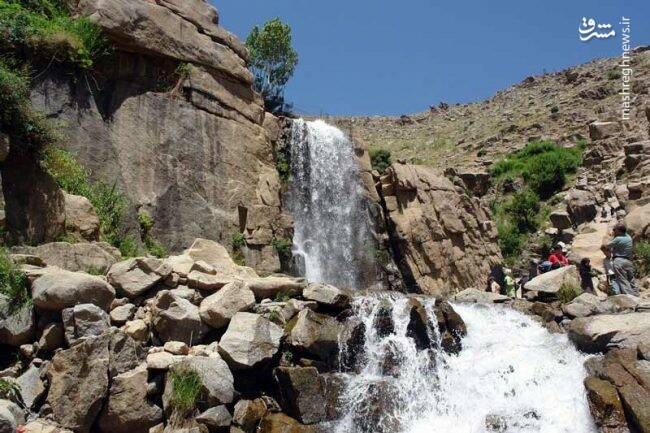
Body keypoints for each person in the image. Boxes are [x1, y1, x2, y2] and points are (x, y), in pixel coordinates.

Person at [607, 223, 638, 296]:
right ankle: (636, 295)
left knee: (622, 279)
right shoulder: (629, 237)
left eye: (615, 230)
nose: (614, 231)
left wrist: (612, 236)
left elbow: (608, 245)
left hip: (619, 260)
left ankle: (630, 298)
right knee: (631, 279)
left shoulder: (617, 239)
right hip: (628, 261)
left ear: (619, 231)